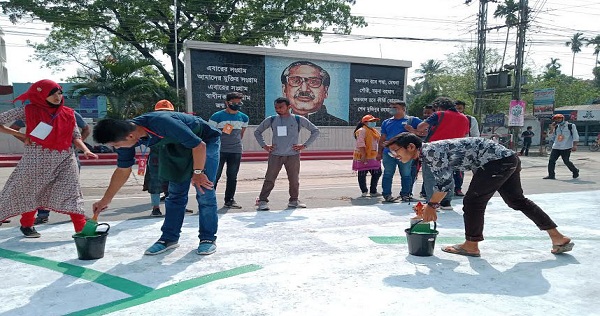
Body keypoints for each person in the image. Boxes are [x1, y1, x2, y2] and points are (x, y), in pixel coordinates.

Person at [386, 132, 574, 257]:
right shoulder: (430, 151)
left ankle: (471, 245)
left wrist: (432, 206)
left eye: (396, 151)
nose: (395, 156)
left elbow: (445, 184)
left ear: (411, 147)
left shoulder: (431, 152)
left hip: (497, 162)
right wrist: (431, 205)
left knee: (473, 202)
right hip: (507, 158)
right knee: (517, 200)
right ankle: (557, 237)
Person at [92, 110, 222, 256]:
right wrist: (105, 200)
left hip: (204, 141)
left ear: (130, 136)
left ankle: (207, 238)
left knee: (204, 191)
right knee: (175, 194)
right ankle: (169, 238)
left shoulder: (162, 122)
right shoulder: (126, 136)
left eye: (116, 145)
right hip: (174, 146)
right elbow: (123, 170)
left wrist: (198, 172)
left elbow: (199, 146)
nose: (116, 148)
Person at [0, 79, 98, 237]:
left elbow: (76, 137)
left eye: (59, 93)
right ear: (40, 94)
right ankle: (26, 225)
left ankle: (81, 231)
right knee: (30, 192)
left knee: (73, 193)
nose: (57, 97)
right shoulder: (28, 110)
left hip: (65, 158)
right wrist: (21, 135)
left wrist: (85, 150)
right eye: (51, 94)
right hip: (36, 159)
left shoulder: (68, 113)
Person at [9, 111, 91, 224]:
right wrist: (28, 141)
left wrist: (77, 145)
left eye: (59, 94)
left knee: (72, 186)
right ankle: (42, 215)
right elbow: (14, 128)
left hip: (67, 156)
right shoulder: (32, 112)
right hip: (43, 157)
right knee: (42, 186)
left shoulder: (69, 113)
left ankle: (78, 213)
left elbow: (86, 129)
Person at [254, 97, 320, 210]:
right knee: (270, 178)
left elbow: (315, 131)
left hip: (293, 155)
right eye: (276, 107)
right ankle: (262, 201)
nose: (278, 109)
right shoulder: (272, 119)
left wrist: (304, 145)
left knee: (294, 179)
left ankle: (294, 200)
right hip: (275, 155)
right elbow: (257, 132)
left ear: (289, 107)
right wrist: (264, 146)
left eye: (281, 107)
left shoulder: (298, 119)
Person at [412, 97, 469, 209]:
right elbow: (465, 134)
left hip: (435, 149)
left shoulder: (439, 114)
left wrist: (412, 130)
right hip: (454, 150)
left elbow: (420, 127)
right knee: (448, 176)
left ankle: (432, 203)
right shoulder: (465, 118)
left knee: (430, 177)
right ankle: (446, 202)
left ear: (438, 107)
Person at [142, 100, 192, 217]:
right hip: (159, 156)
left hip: (168, 155)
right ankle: (156, 208)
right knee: (156, 181)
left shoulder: (151, 123)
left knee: (172, 181)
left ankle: (175, 207)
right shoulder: (172, 123)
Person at [208, 92, 249, 209]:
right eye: (233, 102)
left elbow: (241, 134)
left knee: (232, 176)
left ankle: (229, 200)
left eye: (239, 102)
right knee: (215, 175)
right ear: (227, 103)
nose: (236, 104)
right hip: (218, 150)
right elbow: (209, 133)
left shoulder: (244, 117)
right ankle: (209, 199)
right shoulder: (216, 116)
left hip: (235, 151)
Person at [378, 101, 422, 203]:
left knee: (406, 174)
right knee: (388, 173)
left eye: (395, 107)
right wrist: (379, 152)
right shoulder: (386, 122)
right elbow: (382, 138)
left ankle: (406, 194)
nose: (392, 109)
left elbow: (424, 132)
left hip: (406, 153)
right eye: (391, 107)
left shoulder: (412, 120)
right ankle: (387, 194)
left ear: (403, 109)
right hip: (388, 153)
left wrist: (413, 131)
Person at [281, 60, 346, 126]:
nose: (304, 89)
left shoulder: (340, 124)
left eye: (313, 82)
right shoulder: (276, 122)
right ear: (284, 90)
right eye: (296, 81)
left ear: (325, 91)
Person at [452, 100, 480, 197]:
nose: (457, 110)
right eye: (455, 108)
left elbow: (475, 135)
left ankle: (458, 189)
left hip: (466, 148)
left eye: (460, 108)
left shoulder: (470, 119)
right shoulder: (449, 119)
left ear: (463, 108)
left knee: (460, 170)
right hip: (451, 147)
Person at [352, 114, 382, 198]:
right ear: (365, 122)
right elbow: (360, 143)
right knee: (362, 173)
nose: (373, 123)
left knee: (377, 172)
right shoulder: (362, 130)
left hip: (373, 155)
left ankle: (373, 191)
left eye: (374, 121)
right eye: (371, 121)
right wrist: (364, 155)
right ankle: (364, 191)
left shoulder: (374, 131)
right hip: (363, 155)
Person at [543, 114, 579, 179]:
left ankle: (575, 170)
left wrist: (575, 145)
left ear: (563, 119)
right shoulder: (556, 127)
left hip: (566, 146)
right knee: (551, 160)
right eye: (556, 119)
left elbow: (575, 136)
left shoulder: (570, 126)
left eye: (559, 118)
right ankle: (551, 175)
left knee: (566, 161)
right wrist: (551, 129)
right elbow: (551, 137)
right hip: (556, 146)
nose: (557, 120)